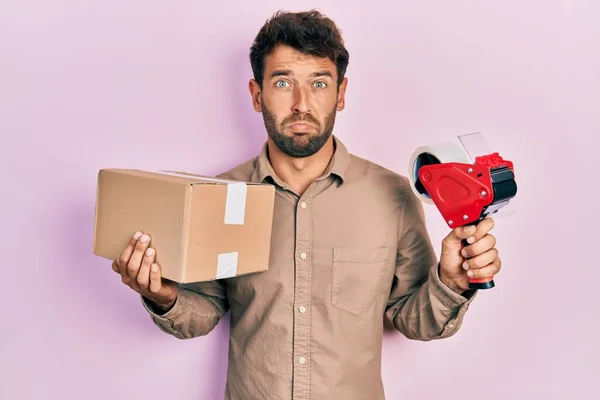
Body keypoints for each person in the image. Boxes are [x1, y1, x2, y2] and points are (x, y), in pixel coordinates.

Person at [111, 9, 501, 400]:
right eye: (283, 82)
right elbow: (204, 312)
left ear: (341, 93)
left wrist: (451, 282)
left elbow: (414, 319)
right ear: (256, 94)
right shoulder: (221, 194)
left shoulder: (393, 196)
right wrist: (162, 294)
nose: (301, 104)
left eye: (319, 82)